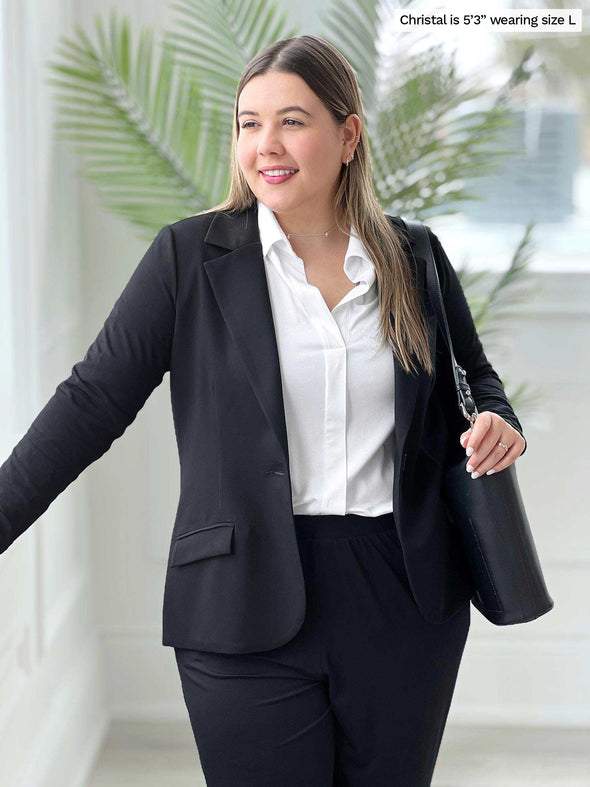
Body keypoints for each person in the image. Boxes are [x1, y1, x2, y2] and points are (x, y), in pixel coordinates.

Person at [0, 34, 526, 786]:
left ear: (348, 136)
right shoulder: (190, 258)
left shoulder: (413, 258)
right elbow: (91, 402)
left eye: (292, 120)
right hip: (239, 596)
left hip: (405, 595)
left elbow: (475, 378)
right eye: (249, 123)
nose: (265, 144)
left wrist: (499, 422)